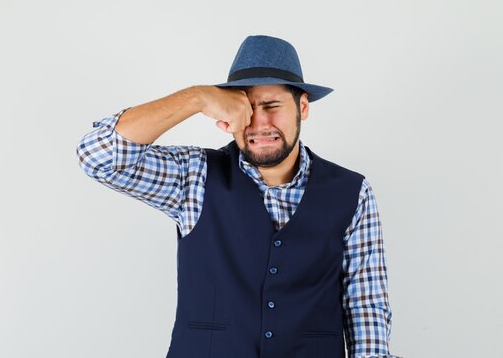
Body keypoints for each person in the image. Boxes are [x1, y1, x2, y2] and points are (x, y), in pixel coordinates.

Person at [76, 35, 399, 357]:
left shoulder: (352, 191)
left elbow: (365, 300)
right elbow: (98, 158)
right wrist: (196, 98)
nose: (258, 123)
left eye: (272, 106)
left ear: (302, 107)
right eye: (244, 108)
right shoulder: (193, 177)